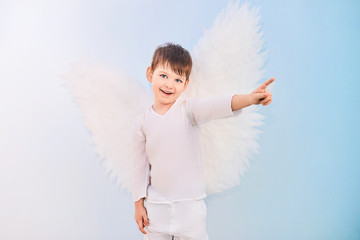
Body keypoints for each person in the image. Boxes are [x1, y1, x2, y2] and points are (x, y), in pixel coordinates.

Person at [132, 42, 274, 240]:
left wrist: (250, 99)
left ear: (185, 84)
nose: (169, 84)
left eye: (177, 79)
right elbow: (140, 167)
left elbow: (218, 105)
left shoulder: (189, 110)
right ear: (150, 74)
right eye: (163, 76)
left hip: (189, 209)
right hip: (156, 210)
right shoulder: (141, 122)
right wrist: (139, 204)